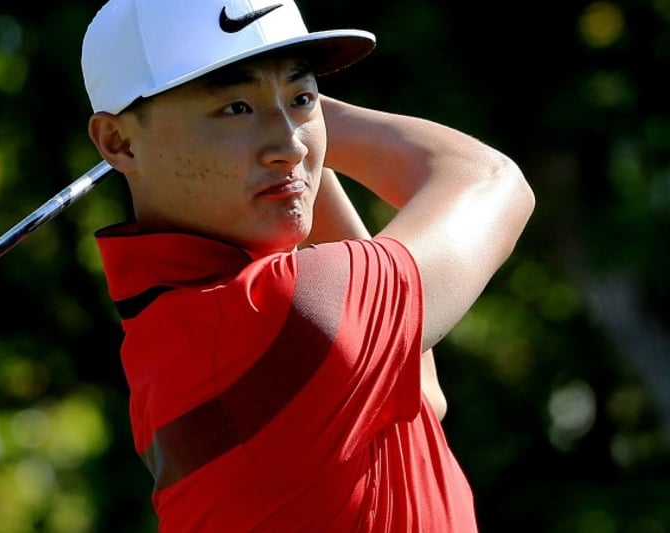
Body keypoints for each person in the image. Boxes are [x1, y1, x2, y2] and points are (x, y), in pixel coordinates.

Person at [79, 0, 535, 530]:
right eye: (235, 108)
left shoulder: (171, 324)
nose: (291, 147)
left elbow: (419, 388)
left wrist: (285, 117)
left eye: (302, 98)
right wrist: (314, 112)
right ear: (118, 141)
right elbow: (491, 180)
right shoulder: (276, 314)